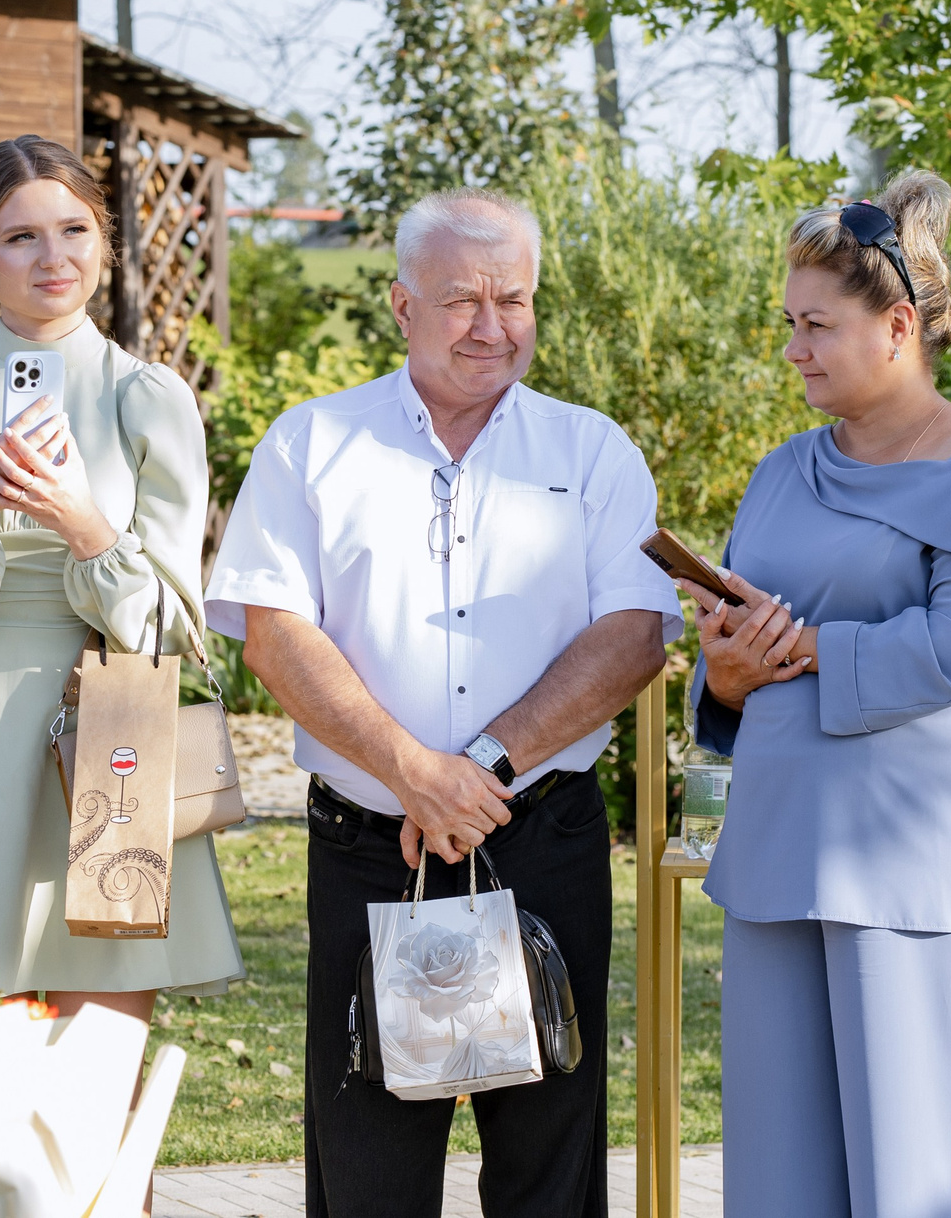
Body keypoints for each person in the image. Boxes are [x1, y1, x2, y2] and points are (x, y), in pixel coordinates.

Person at [205, 187, 678, 1218]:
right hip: (371, 845)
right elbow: (275, 635)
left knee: (550, 1158)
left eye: (514, 298)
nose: (491, 325)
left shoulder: (591, 450)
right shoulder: (311, 441)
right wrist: (414, 774)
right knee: (368, 1163)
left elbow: (635, 633)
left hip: (542, 835)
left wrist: (480, 771)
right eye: (462, 299)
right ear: (401, 304)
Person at [674, 173, 951, 1218]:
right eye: (789, 324)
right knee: (777, 1188)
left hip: (914, 880)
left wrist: (799, 649)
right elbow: (732, 664)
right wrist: (727, 671)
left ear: (897, 328)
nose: (794, 349)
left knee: (917, 1189)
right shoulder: (779, 472)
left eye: (817, 326)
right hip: (777, 860)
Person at [0, 134, 239, 1021]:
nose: (52, 258)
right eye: (20, 237)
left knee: (95, 1058)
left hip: (113, 732)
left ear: (104, 242)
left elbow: (173, 626)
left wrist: (84, 524)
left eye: (73, 230)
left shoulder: (149, 398)